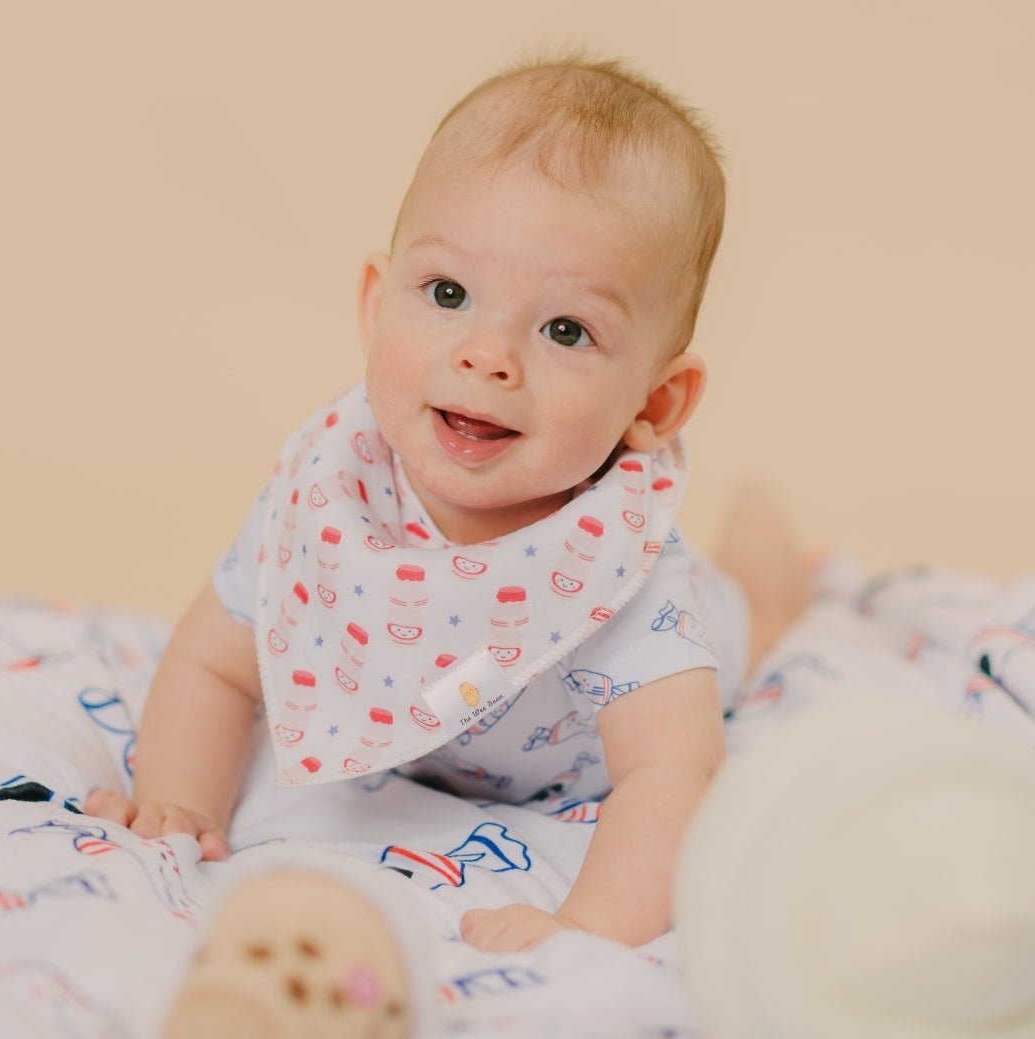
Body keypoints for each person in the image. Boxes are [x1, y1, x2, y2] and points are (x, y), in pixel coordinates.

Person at [86, 54, 807, 955]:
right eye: (449, 294)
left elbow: (673, 773)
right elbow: (216, 662)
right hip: (445, 726)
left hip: (663, 676)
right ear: (375, 304)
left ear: (654, 406)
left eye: (566, 329)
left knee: (759, 612)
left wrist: (583, 929)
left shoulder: (623, 576)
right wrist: (178, 802)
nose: (487, 355)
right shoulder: (332, 496)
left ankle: (768, 563)